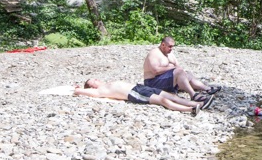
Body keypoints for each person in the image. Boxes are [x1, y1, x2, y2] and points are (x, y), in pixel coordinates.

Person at [143, 36, 221, 101]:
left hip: (166, 80)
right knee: (179, 71)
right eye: (169, 46)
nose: (171, 49)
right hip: (153, 83)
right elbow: (156, 71)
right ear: (163, 45)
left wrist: (176, 69)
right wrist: (172, 67)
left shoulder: (170, 54)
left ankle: (207, 89)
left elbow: (178, 67)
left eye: (172, 47)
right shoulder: (154, 53)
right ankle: (193, 95)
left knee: (188, 75)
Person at [74, 79, 213, 114]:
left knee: (170, 95)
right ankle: (190, 110)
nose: (96, 80)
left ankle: (196, 103)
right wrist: (78, 89)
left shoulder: (107, 83)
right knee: (163, 101)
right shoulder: (99, 91)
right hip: (133, 94)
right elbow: (80, 92)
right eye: (93, 81)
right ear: (92, 86)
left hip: (139, 87)